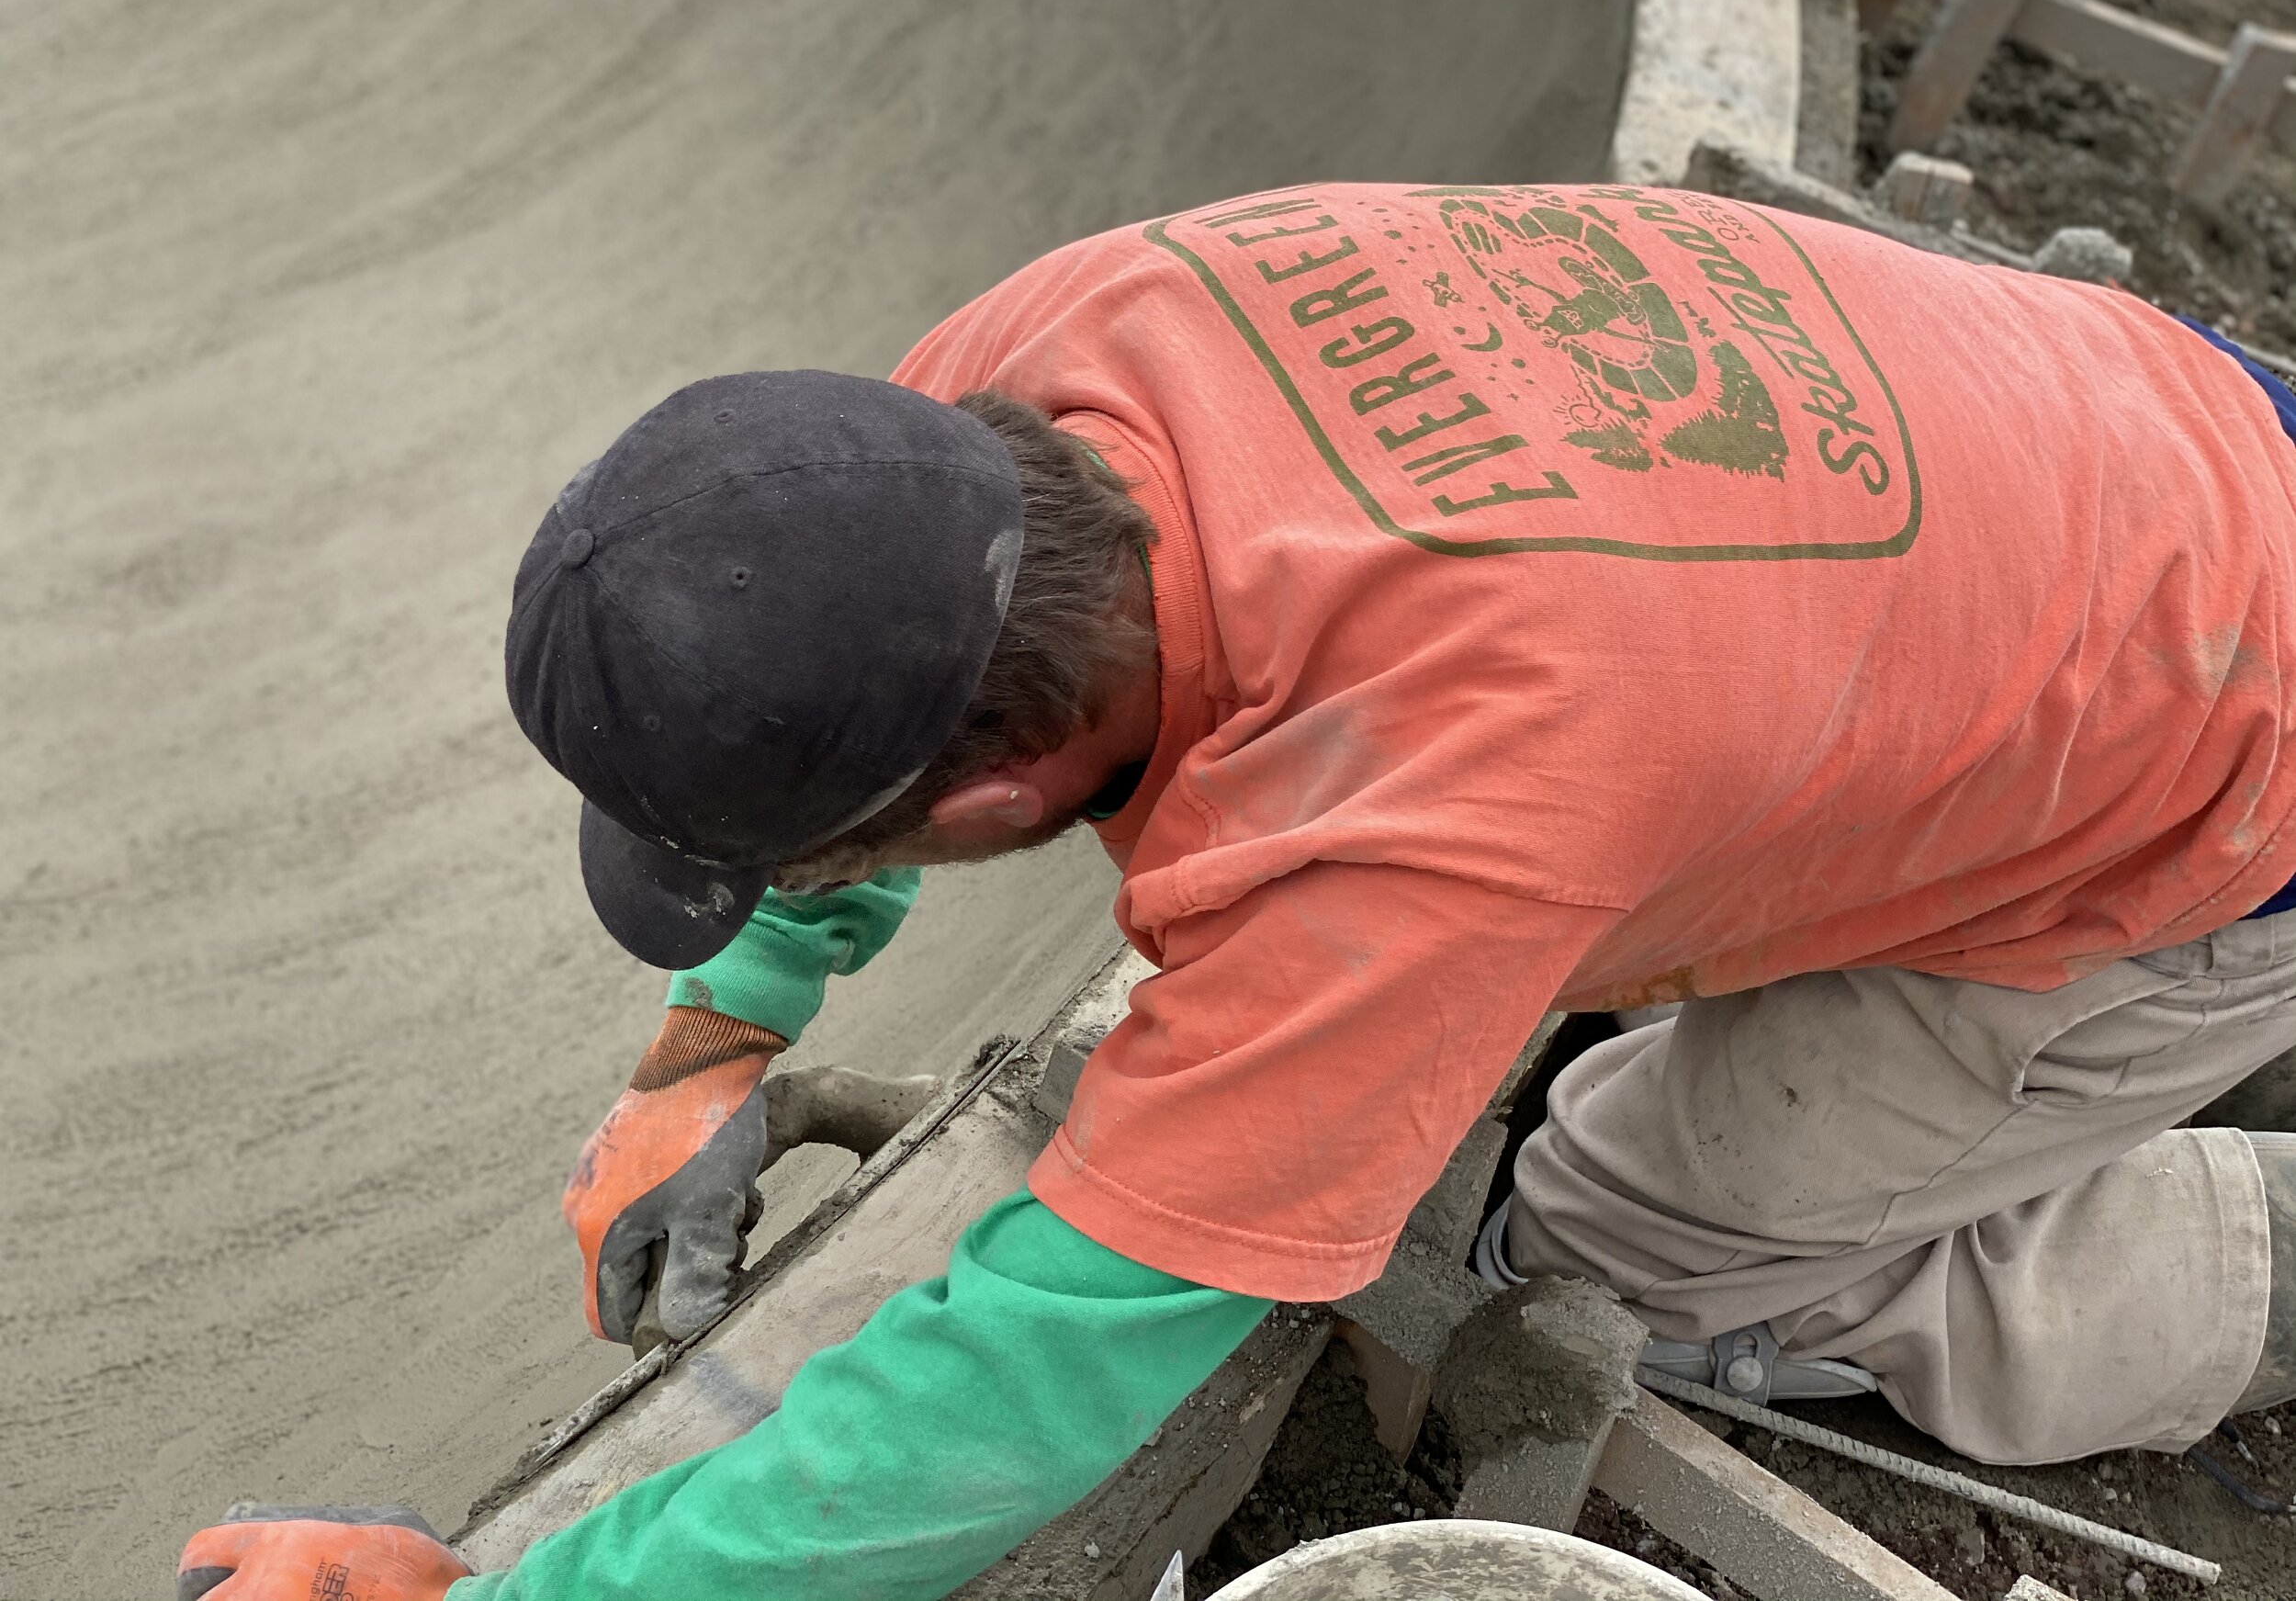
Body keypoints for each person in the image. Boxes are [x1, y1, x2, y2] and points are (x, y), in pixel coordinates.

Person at [179, 182, 2296, 1600]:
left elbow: (1017, 1390)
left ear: (1005, 791)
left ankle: (2241, 1250)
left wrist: (507, 1585)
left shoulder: (1410, 813)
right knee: (1541, 1009)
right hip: (2129, 430)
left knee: (1595, 1241)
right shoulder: (1051, 363)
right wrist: (714, 1034)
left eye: (844, 857)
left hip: (2224, 757)